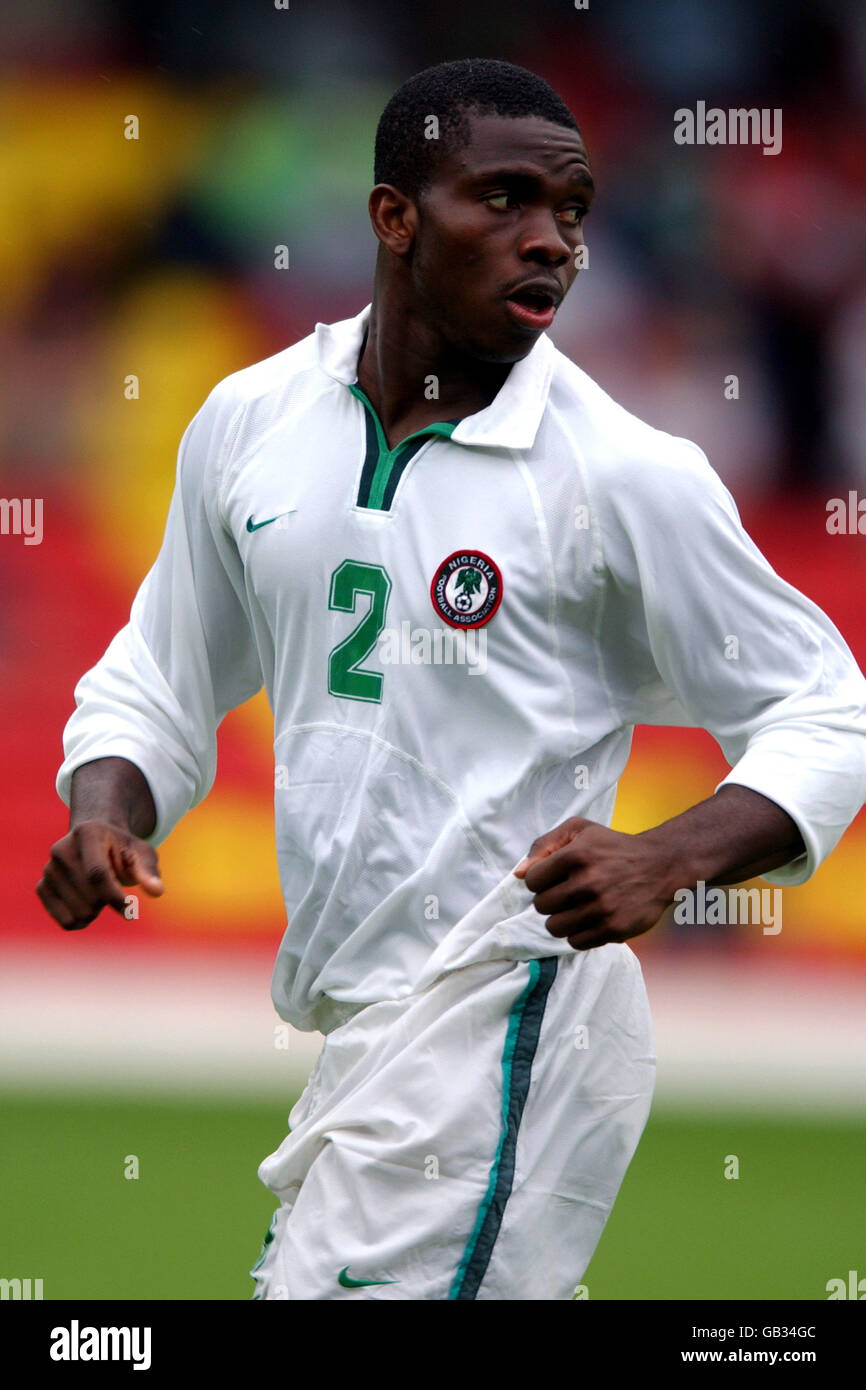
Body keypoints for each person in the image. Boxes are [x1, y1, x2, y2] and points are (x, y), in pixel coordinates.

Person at [39, 58, 866, 1300]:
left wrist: (666, 855)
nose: (551, 242)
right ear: (393, 217)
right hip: (359, 1036)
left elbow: (824, 707)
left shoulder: (622, 472)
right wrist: (106, 810)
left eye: (574, 210)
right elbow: (159, 674)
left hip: (510, 1010)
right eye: (507, 200)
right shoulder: (250, 421)